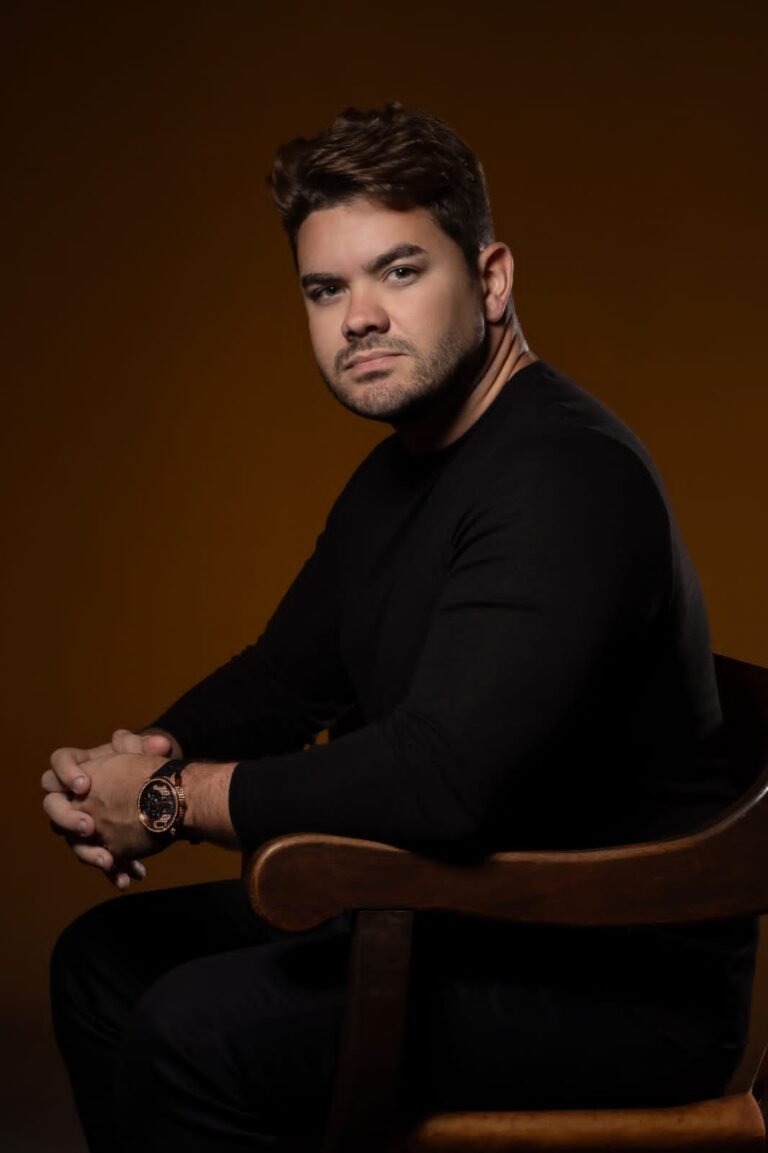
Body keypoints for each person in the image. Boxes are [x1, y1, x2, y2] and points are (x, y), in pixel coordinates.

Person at [43, 104, 756, 1153]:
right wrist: (138, 757)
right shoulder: (401, 474)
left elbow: (441, 778)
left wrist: (170, 798)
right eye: (326, 289)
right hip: (457, 921)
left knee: (191, 1033)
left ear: (493, 279)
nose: (358, 318)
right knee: (102, 964)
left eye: (400, 271)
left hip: (608, 972)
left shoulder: (567, 475)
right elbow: (284, 678)